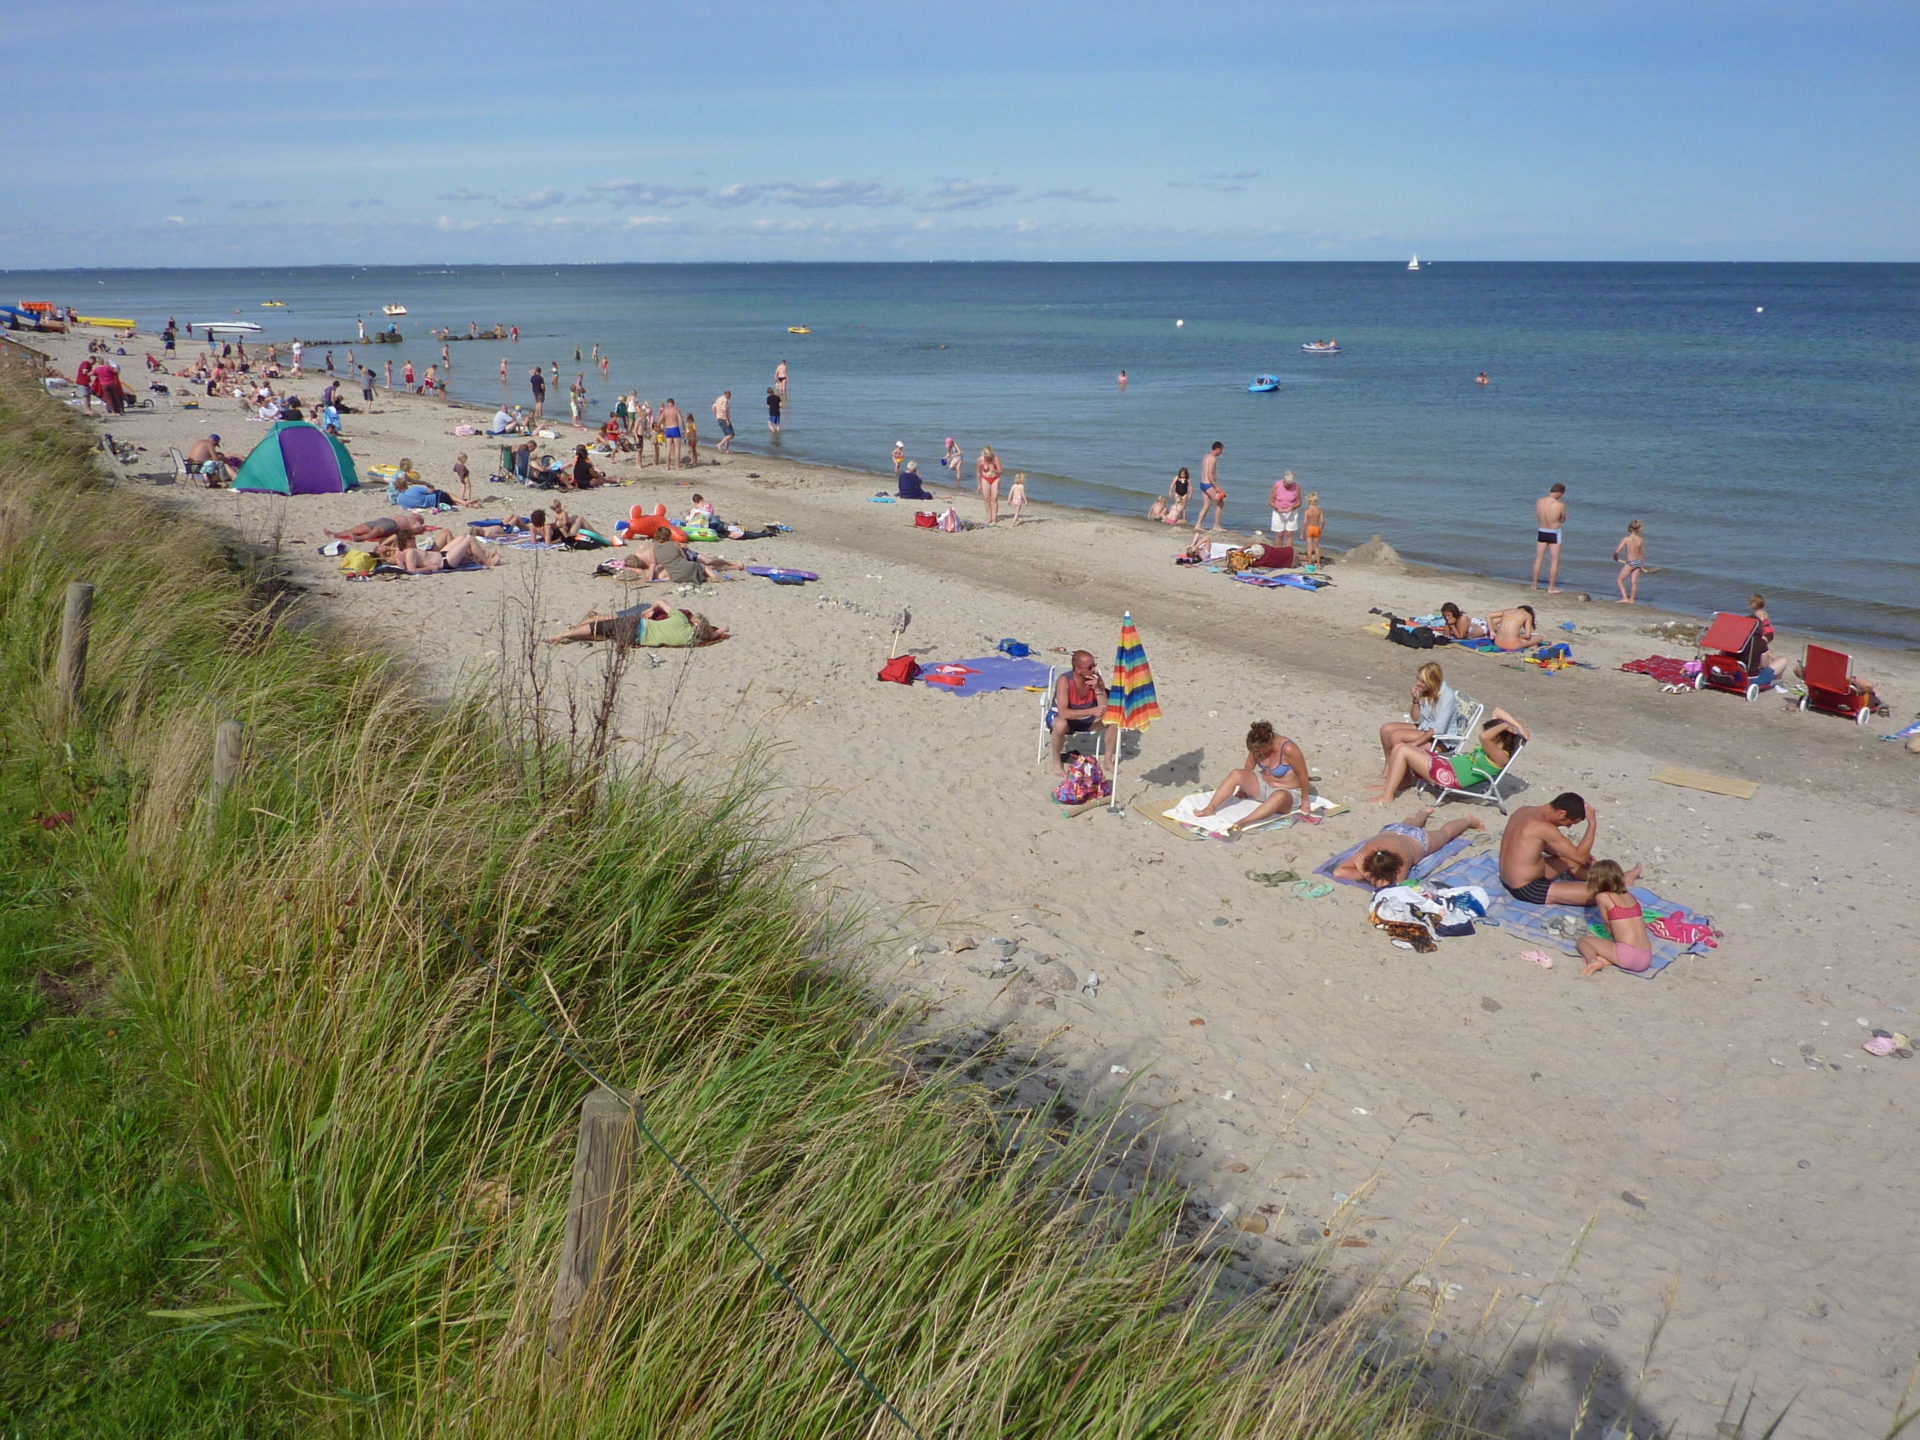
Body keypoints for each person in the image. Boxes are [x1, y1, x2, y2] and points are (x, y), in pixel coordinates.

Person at [1498, 792, 1635, 906]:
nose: (1568, 827)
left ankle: (1612, 876)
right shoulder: (1544, 828)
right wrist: (1592, 824)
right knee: (1602, 894)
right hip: (1527, 888)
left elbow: (1535, 846)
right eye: (1570, 823)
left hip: (1507, 876)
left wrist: (1579, 857)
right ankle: (1619, 882)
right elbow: (1580, 857)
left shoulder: (1523, 811)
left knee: (1571, 859)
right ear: (1562, 813)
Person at [1372, 706, 1528, 803]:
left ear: (1498, 737)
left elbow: (1484, 737)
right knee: (1401, 746)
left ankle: (1387, 796)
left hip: (1448, 776)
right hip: (1447, 765)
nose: (1485, 733)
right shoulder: (1493, 746)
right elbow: (1497, 710)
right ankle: (1389, 786)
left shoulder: (1500, 756)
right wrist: (1517, 726)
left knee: (1402, 750)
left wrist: (1506, 725)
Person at [1191, 720, 1314, 833]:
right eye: (1254, 752)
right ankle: (1210, 808)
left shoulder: (1288, 748)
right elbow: (1249, 766)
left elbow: (1303, 774)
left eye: (1259, 751)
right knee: (1236, 774)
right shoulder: (1257, 746)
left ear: (1268, 744)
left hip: (1287, 793)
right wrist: (1243, 788)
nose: (1257, 754)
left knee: (1279, 795)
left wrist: (1305, 801)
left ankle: (1244, 821)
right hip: (1264, 786)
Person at [1334, 807, 1488, 888]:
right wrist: (1367, 872)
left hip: (1412, 837)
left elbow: (1395, 886)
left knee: (1444, 834)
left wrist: (1365, 873)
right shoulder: (1367, 854)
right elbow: (1339, 872)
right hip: (1397, 833)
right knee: (1419, 826)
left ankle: (1467, 821)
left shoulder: (1402, 862)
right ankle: (1424, 812)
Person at [1576, 860, 1652, 975]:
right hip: (1646, 957)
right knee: (1616, 950)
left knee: (1583, 941)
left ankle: (1593, 961)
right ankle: (1608, 959)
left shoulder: (1603, 897)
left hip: (1627, 955)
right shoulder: (1629, 896)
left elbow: (1608, 925)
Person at [1377, 661, 1458, 765]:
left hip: (1439, 737)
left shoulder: (1447, 696)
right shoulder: (1426, 691)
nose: (1418, 683)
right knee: (1386, 729)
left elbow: (1438, 729)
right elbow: (1416, 719)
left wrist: (1414, 744)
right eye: (1418, 679)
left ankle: (1403, 771)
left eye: (1423, 681)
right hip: (1425, 727)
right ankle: (1389, 764)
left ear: (1433, 682)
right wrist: (1415, 701)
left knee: (1396, 736)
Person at [545, 600, 719, 648]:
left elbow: (660, 600)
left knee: (600, 625)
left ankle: (563, 635)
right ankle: (575, 632)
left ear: (694, 624)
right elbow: (717, 633)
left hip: (636, 626)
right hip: (634, 641)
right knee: (604, 635)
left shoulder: (680, 619)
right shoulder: (692, 641)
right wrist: (715, 632)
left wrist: (652, 609)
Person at [1047, 650, 1110, 775]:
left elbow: (1104, 708)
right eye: (1090, 667)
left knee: (1113, 720)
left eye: (1094, 665)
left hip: (1086, 720)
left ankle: (1108, 760)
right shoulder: (1064, 681)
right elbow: (1063, 713)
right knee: (1061, 724)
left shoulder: (1095, 678)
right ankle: (1057, 762)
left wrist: (1098, 688)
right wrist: (1092, 711)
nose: (1093, 669)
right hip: (1063, 719)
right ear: (1078, 670)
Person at [376, 530, 498, 573]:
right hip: (446, 561)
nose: (415, 541)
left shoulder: (404, 550)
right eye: (412, 540)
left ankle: (483, 555)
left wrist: (388, 548)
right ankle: (487, 561)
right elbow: (411, 570)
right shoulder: (410, 553)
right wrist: (430, 568)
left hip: (443, 555)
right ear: (407, 542)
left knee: (461, 537)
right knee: (469, 539)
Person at [1531, 483, 1568, 593]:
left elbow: (1538, 514)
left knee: (1538, 558)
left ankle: (1534, 584)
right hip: (1554, 532)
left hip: (1542, 530)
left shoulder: (1539, 501)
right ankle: (1551, 587)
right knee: (1554, 560)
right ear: (1559, 492)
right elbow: (1562, 519)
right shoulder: (1560, 505)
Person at [1613, 519, 1647, 604]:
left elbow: (1617, 551)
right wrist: (1642, 566)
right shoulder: (1641, 539)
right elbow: (1642, 554)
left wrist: (1615, 557)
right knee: (1633, 582)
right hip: (1638, 562)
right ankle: (1631, 600)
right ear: (1639, 529)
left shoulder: (1626, 539)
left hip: (1630, 563)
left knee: (1619, 580)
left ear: (1629, 528)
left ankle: (1625, 598)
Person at [1197, 442, 1226, 531]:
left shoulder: (1206, 456)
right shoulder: (1213, 459)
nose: (1222, 452)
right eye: (1222, 449)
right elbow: (1210, 474)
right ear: (1218, 449)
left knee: (1207, 505)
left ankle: (1198, 525)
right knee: (1220, 502)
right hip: (1208, 484)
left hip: (1202, 484)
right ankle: (1216, 526)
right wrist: (1216, 486)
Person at [1268, 470, 1302, 542]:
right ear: (1283, 480)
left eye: (1289, 485)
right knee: (1279, 534)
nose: (1287, 486)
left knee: (1289, 534)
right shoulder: (1277, 485)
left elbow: (1299, 502)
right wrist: (1278, 508)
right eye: (1286, 484)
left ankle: (1289, 551)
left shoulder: (1296, 486)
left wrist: (1291, 508)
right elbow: (1270, 502)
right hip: (1278, 512)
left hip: (1291, 512)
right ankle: (1279, 551)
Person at [976, 446, 1003, 526]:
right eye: (986, 457)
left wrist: (994, 470)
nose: (987, 459)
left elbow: (1001, 471)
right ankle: (989, 518)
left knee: (994, 499)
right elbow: (978, 472)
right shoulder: (980, 460)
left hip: (995, 478)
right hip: (985, 478)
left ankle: (994, 518)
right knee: (986, 499)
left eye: (989, 457)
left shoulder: (996, 459)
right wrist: (979, 484)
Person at [1302, 492, 1325, 566]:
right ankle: (1318, 564)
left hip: (1310, 528)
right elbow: (1323, 521)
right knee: (1316, 547)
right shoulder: (1319, 510)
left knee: (1309, 546)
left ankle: (1310, 562)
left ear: (1308, 502)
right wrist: (1321, 528)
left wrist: (1302, 532)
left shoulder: (1307, 511)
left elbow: (1305, 522)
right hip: (1316, 528)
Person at [660, 399, 683, 469]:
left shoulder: (665, 411)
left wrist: (659, 427)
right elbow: (680, 420)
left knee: (668, 448)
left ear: (667, 403)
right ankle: (677, 466)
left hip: (668, 429)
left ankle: (667, 466)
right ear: (673, 403)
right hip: (675, 428)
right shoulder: (676, 410)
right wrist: (684, 429)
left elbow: (659, 420)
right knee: (677, 448)